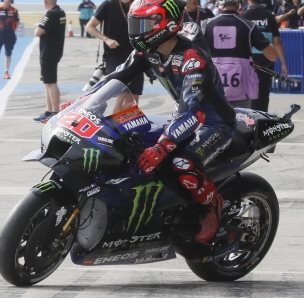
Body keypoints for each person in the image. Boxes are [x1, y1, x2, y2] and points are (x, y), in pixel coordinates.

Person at [89, 0, 236, 243]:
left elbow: (194, 112)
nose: (137, 30)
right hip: (183, 117)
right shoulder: (149, 50)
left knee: (180, 163)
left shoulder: (192, 59)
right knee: (130, 144)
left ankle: (212, 206)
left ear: (164, 24)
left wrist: (162, 146)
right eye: (135, 23)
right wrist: (86, 102)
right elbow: (117, 76)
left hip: (215, 123)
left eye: (144, 23)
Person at [202, 0, 277, 109]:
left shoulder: (205, 25)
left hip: (213, 88)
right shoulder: (248, 26)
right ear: (238, 3)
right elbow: (272, 55)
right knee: (241, 123)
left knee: (214, 122)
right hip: (241, 90)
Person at [85, 0, 145, 108]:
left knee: (133, 98)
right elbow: (90, 26)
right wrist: (107, 39)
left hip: (136, 55)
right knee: (122, 93)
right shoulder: (109, 4)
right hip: (115, 54)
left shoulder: (139, 4)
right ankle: (116, 124)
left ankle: (130, 123)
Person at [241, 0, 288, 112]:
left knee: (248, 93)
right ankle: (262, 119)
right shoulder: (269, 16)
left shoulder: (242, 16)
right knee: (264, 92)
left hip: (248, 60)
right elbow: (277, 42)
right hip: (266, 59)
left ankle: (248, 120)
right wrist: (284, 64)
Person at [33, 0, 66, 123]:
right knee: (47, 82)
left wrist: (37, 25)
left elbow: (38, 32)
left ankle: (54, 112)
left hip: (48, 52)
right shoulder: (60, 12)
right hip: (54, 51)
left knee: (51, 82)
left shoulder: (51, 14)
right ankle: (49, 111)